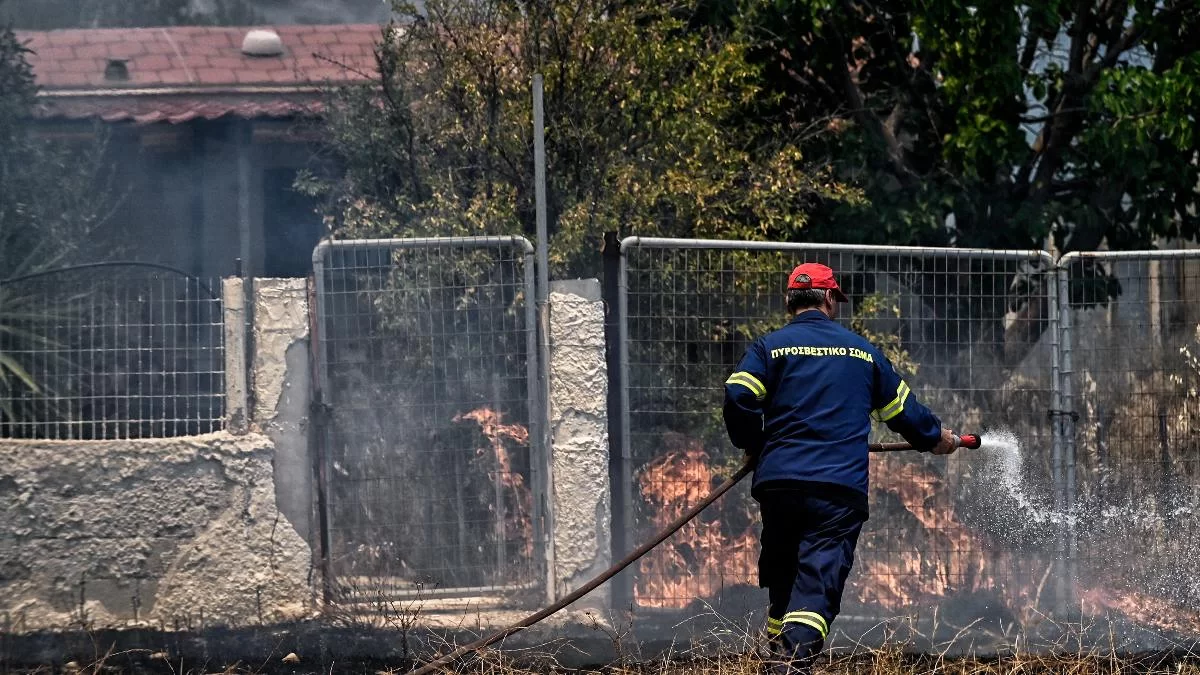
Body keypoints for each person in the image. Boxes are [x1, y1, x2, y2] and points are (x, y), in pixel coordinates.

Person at [722, 262, 957, 674]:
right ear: (830, 298)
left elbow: (739, 395)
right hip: (837, 487)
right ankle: (790, 666)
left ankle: (779, 648)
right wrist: (935, 438)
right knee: (816, 580)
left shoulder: (769, 348)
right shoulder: (862, 352)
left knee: (784, 570)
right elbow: (904, 412)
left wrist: (754, 444)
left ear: (788, 301)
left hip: (779, 483)